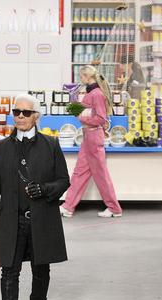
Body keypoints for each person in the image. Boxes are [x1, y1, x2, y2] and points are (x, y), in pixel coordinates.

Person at [0, 94, 70, 300]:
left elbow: (64, 180)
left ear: (36, 116)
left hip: (42, 220)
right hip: (12, 220)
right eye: (16, 112)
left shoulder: (51, 145)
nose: (20, 116)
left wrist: (45, 189)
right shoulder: (2, 147)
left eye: (25, 113)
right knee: (9, 272)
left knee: (41, 272)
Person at [60, 65, 122, 218]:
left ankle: (114, 208)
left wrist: (80, 117)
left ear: (88, 77)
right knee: (79, 172)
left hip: (94, 138)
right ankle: (68, 207)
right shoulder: (92, 93)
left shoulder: (97, 94)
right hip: (89, 137)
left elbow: (101, 118)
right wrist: (75, 107)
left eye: (81, 77)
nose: (80, 80)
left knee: (100, 175)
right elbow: (90, 110)